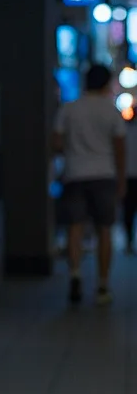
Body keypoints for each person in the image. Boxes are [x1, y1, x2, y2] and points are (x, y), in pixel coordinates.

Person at [53, 63, 126, 304]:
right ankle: (103, 285)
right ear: (106, 83)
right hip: (104, 175)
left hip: (75, 174)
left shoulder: (69, 109)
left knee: (75, 226)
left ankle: (75, 274)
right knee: (104, 229)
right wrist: (121, 180)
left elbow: (56, 143)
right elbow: (119, 149)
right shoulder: (111, 111)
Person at [124, 111, 137, 254]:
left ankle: (129, 241)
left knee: (128, 211)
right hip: (129, 175)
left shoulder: (125, 131)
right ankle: (129, 240)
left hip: (128, 176)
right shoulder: (125, 130)